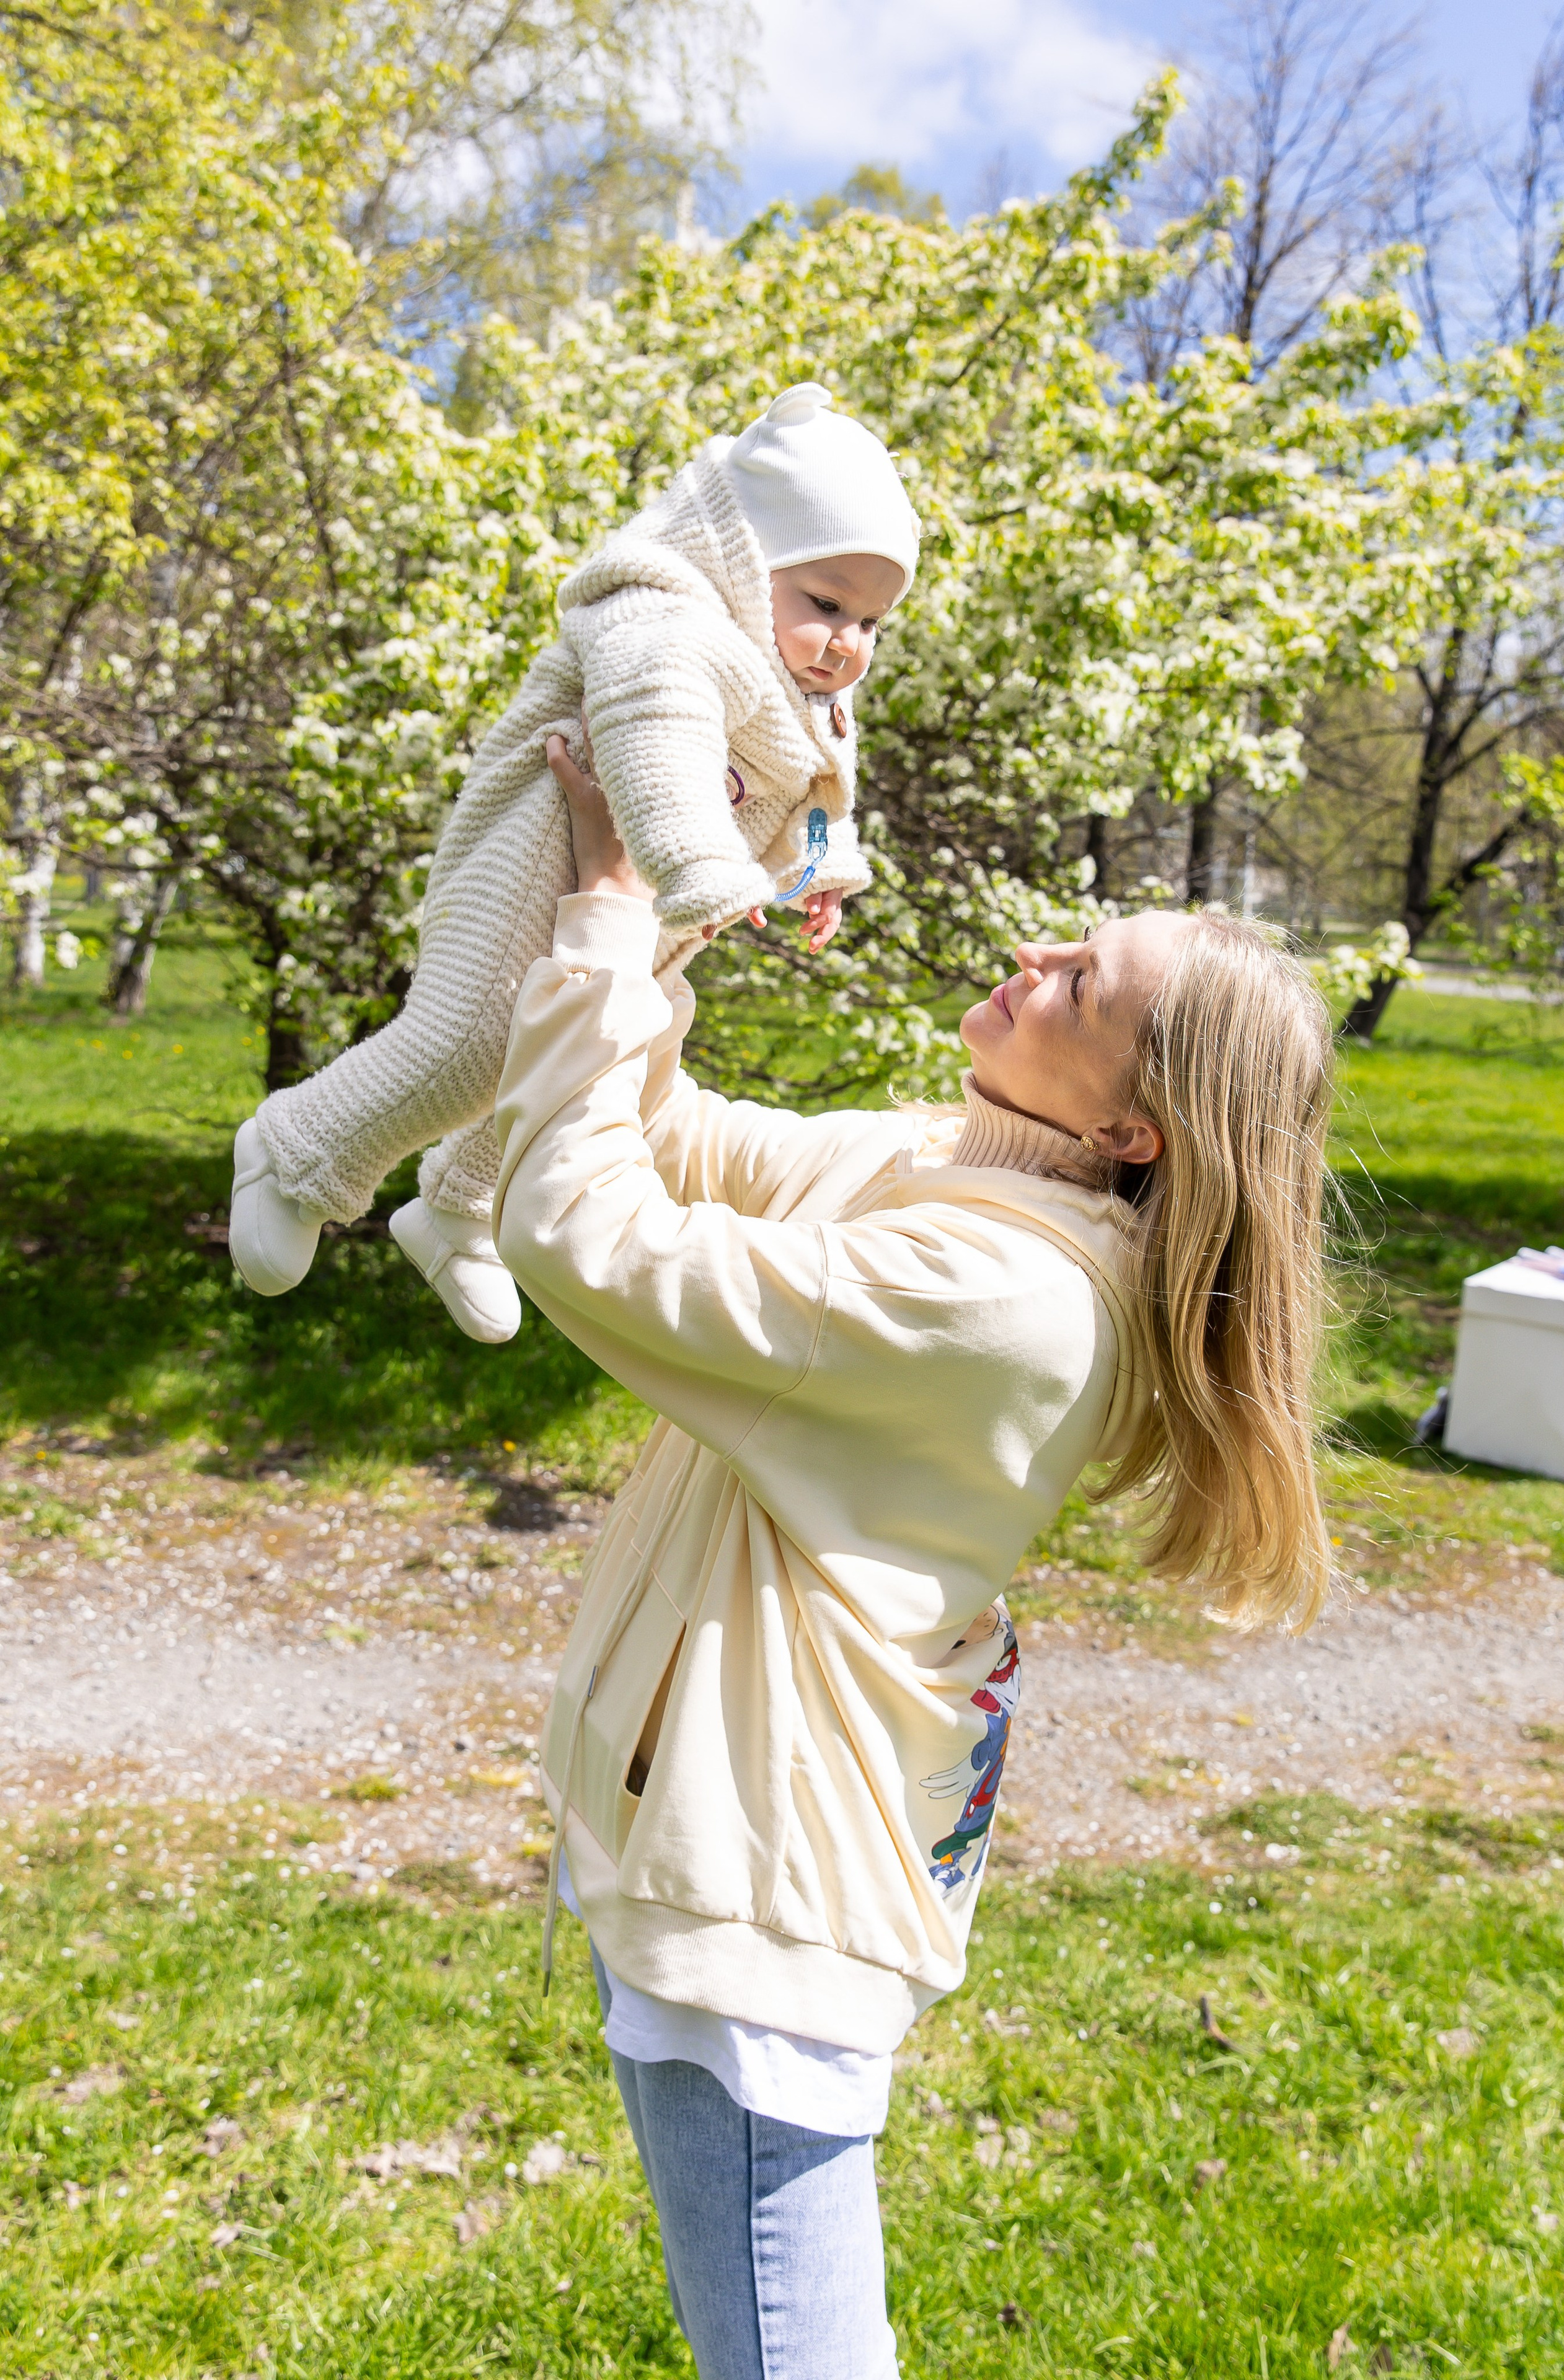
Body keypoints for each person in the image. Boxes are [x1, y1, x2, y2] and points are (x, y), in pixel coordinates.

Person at [490, 741, 1335, 2380]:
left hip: (765, 1893)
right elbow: (678, 1141)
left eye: (1080, 980)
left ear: (1139, 1126)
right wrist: (678, 887)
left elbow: (586, 1235)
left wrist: (603, 926)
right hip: (733, 1838)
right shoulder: (955, 1173)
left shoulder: (1005, 1297)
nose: (1033, 961)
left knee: (793, 2358)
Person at [226, 384, 917, 1344]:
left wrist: (822, 866)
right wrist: (697, 860)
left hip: (653, 898)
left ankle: (460, 1211)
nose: (848, 643)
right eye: (828, 603)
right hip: (537, 849)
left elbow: (821, 786)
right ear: (740, 557)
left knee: (587, 1047)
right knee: (476, 1038)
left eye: (873, 624)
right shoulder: (664, 616)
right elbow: (654, 735)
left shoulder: (801, 687)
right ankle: (297, 1149)